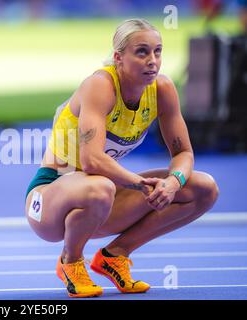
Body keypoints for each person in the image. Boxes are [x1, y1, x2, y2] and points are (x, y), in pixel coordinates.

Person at [24, 18, 219, 298]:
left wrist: (173, 183)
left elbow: (184, 153)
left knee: (204, 188)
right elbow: (91, 160)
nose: (152, 60)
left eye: (158, 51)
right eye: (142, 52)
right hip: (49, 200)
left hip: (100, 201)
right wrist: (139, 184)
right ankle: (70, 261)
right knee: (101, 186)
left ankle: (115, 255)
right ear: (119, 57)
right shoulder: (100, 85)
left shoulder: (162, 90)